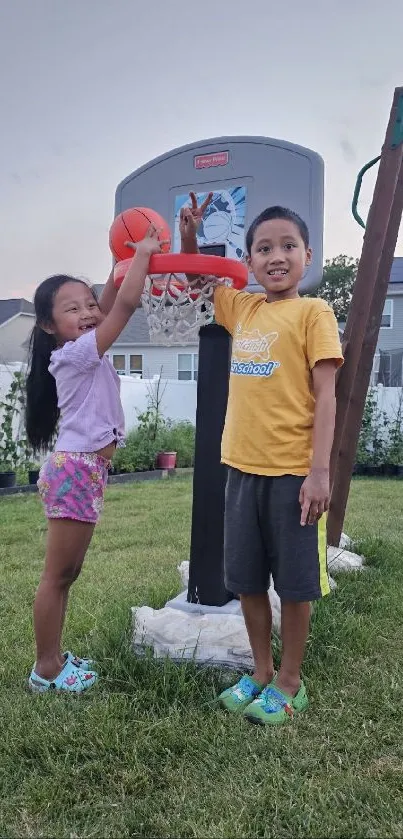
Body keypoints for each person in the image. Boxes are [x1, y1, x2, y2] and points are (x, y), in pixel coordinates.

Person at [179, 196, 343, 725]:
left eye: (288, 246)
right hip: (241, 471)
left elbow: (327, 396)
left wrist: (320, 472)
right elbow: (201, 281)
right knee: (247, 580)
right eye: (264, 248)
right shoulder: (243, 308)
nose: (277, 256)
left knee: (294, 585)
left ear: (308, 255)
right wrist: (188, 238)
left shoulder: (314, 312)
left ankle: (292, 680)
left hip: (294, 473)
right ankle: (262, 671)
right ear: (249, 261)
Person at [25, 227, 166, 693]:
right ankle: (46, 668)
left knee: (68, 574)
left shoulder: (83, 348)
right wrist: (144, 254)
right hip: (75, 470)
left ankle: (54, 658)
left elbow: (109, 300)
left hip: (83, 469)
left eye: (89, 303)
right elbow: (121, 307)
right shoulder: (76, 355)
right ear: (48, 326)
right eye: (73, 309)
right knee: (57, 575)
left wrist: (120, 258)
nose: (88, 312)